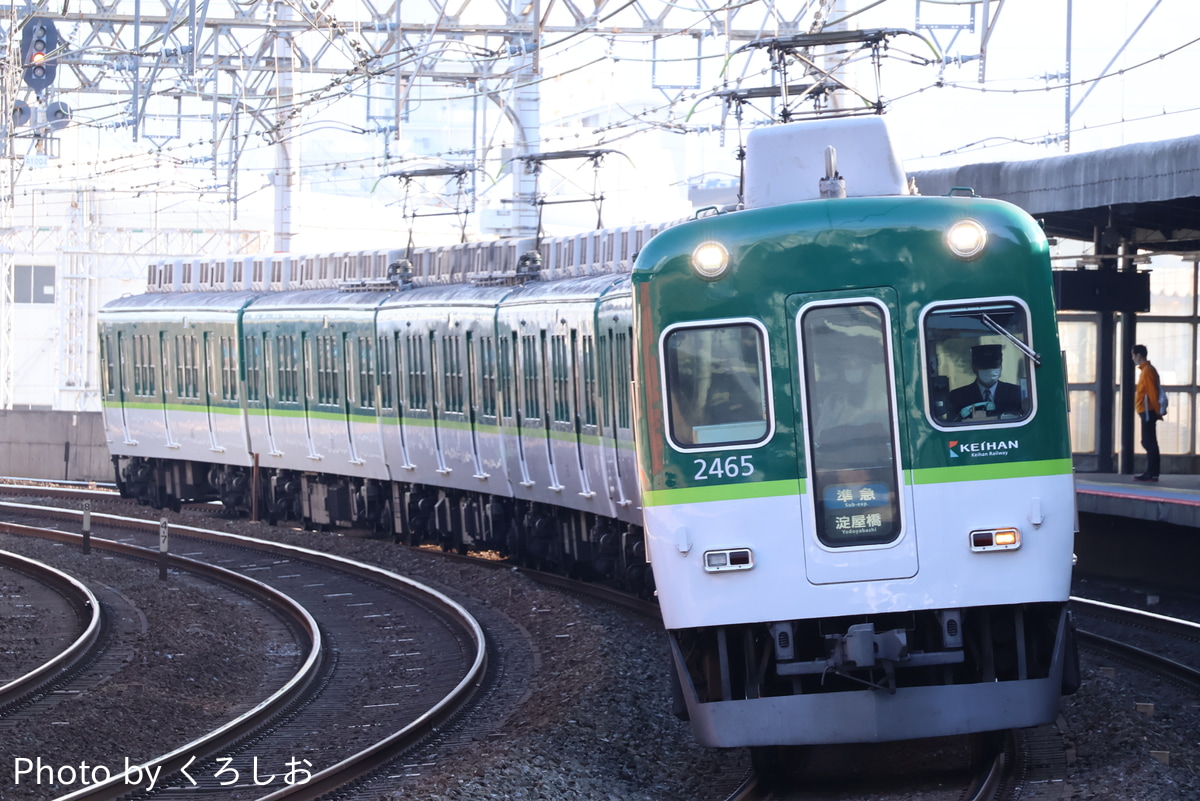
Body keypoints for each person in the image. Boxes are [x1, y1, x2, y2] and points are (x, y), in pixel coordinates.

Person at [948, 344, 1023, 421]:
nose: (990, 370)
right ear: (974, 368)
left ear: (1001, 366)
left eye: (994, 366)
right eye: (984, 367)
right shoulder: (958, 396)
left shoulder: (1016, 393)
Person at [1131, 344, 1162, 482]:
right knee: (1149, 441)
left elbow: (1152, 393)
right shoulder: (1146, 370)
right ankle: (1152, 472)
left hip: (1148, 411)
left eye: (1133, 355)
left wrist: (1157, 411)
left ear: (1139, 355)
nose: (1133, 358)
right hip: (1146, 411)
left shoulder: (1147, 371)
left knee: (1149, 442)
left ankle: (1152, 472)